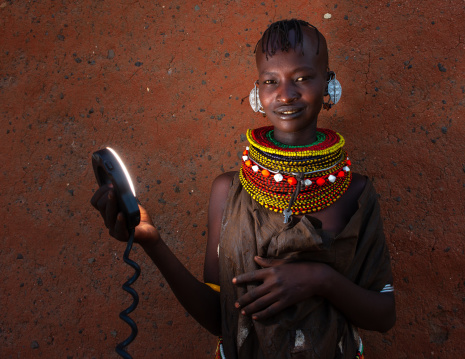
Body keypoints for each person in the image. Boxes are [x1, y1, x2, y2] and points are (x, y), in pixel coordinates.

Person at [91, 19, 395, 359]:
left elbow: (384, 315)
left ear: (329, 85)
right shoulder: (227, 190)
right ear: (257, 93)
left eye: (303, 77)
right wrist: (152, 242)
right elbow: (218, 319)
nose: (285, 93)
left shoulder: (356, 192)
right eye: (270, 81)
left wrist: (319, 279)